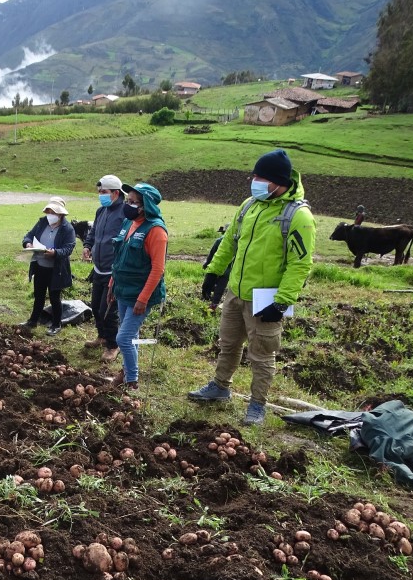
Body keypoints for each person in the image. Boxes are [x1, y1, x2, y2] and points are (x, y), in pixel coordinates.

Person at [190, 149, 316, 425]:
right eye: (254, 175)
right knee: (228, 344)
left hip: (266, 298)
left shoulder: (298, 216)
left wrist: (282, 302)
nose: (254, 180)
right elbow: (230, 242)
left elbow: (300, 264)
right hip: (236, 290)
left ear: (277, 180)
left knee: (261, 354)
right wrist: (213, 272)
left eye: (260, 176)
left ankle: (257, 405)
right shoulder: (249, 205)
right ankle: (220, 386)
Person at [107, 183, 167, 390]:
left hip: (140, 294)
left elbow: (158, 269)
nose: (128, 205)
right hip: (123, 289)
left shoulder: (156, 230)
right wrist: (112, 283)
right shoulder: (128, 223)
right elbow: (120, 257)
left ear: (146, 205)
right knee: (130, 336)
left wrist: (143, 298)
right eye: (128, 200)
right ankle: (127, 370)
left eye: (133, 202)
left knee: (123, 338)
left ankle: (131, 380)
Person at [82, 174, 125, 362]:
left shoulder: (125, 212)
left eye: (104, 192)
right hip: (98, 268)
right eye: (99, 192)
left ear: (116, 193)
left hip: (113, 270)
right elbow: (93, 233)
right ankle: (101, 336)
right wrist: (87, 245)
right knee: (95, 307)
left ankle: (113, 346)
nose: (101, 195)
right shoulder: (101, 211)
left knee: (108, 310)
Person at [20, 196, 76, 336]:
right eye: (49, 212)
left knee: (54, 297)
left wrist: (55, 253)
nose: (50, 215)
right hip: (40, 265)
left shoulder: (67, 228)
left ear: (61, 214)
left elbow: (68, 248)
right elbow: (29, 235)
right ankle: (33, 321)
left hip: (56, 269)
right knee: (38, 295)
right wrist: (28, 243)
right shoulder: (42, 222)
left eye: (53, 212)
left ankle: (56, 324)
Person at [202, 224, 231, 308]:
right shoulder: (238, 242)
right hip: (227, 270)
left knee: (208, 284)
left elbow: (212, 254)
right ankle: (214, 303)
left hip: (215, 267)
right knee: (221, 287)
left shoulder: (219, 241)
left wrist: (207, 264)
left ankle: (206, 297)